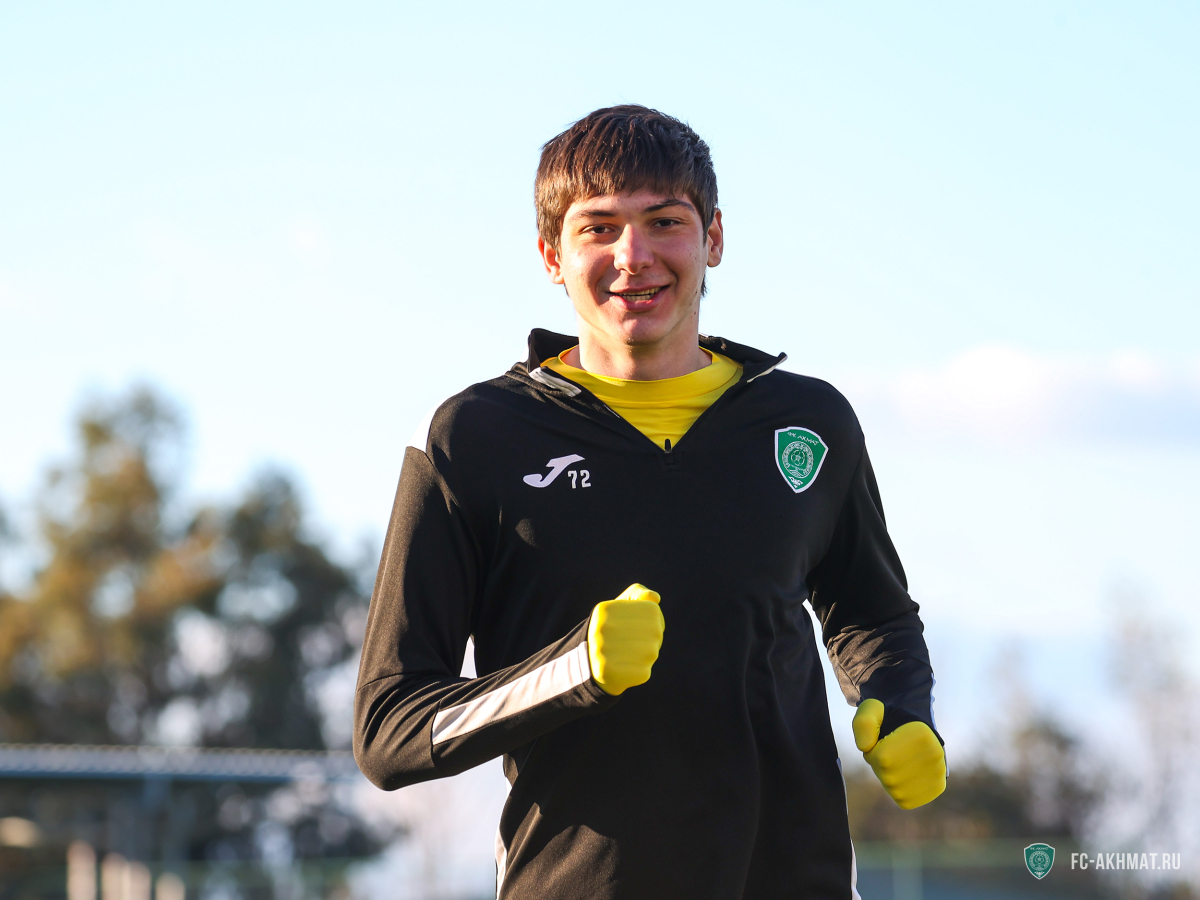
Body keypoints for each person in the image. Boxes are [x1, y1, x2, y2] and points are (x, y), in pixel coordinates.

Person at [354, 105, 946, 900]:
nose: (634, 257)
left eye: (665, 222)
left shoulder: (810, 422)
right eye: (598, 229)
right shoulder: (472, 437)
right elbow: (389, 728)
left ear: (714, 239)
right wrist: (574, 670)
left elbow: (872, 614)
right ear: (551, 256)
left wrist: (900, 706)